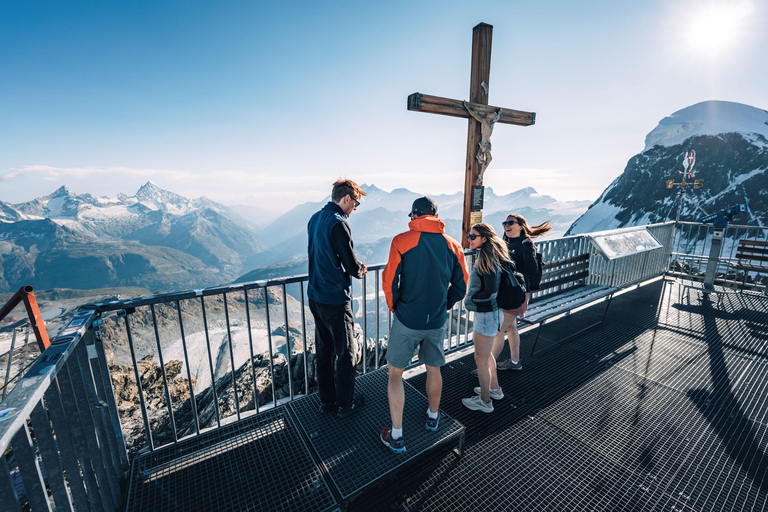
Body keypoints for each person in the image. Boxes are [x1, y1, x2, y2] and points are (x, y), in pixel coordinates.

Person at [379, 197, 468, 453]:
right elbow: (461, 285)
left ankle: (396, 436)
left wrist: (396, 306)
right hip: (436, 319)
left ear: (414, 215)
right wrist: (444, 306)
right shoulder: (453, 245)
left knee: (395, 375)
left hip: (407, 319)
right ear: (435, 215)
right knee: (433, 368)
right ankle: (432, 417)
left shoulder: (401, 241)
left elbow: (389, 281)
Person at [307, 179, 368, 419]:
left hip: (315, 296)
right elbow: (351, 266)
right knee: (346, 353)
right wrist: (361, 270)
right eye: (356, 203)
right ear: (346, 199)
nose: (355, 208)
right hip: (335, 299)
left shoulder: (314, 218)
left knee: (324, 352)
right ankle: (345, 404)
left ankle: (326, 403)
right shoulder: (339, 224)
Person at [492, 215, 552, 371]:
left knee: (498, 331)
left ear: (520, 226)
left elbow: (531, 269)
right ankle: (514, 362)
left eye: (510, 223)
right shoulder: (507, 243)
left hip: (518, 293)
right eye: (504, 223)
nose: (506, 225)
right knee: (511, 328)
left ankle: (486, 368)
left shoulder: (526, 243)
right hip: (508, 293)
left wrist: (527, 247)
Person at [462, 223, 509, 413]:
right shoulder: (495, 254)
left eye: (473, 236)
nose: (469, 239)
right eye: (469, 236)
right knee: (487, 354)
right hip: (494, 312)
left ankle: (485, 401)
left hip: (486, 314)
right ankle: (494, 389)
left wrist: (471, 299)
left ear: (484, 238)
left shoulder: (487, 258)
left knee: (480, 359)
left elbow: (490, 289)